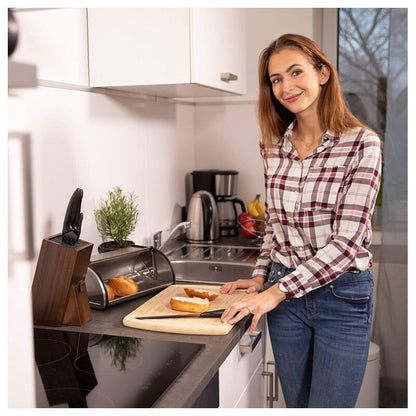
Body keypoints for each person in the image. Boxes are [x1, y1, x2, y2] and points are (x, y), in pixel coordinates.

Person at [220, 33, 382, 408]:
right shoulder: (272, 146)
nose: (286, 86)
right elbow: (274, 226)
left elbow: (347, 244)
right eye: (276, 79)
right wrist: (261, 277)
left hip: (342, 296)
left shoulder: (362, 145)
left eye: (295, 72)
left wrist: (272, 294)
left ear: (322, 73)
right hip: (285, 300)